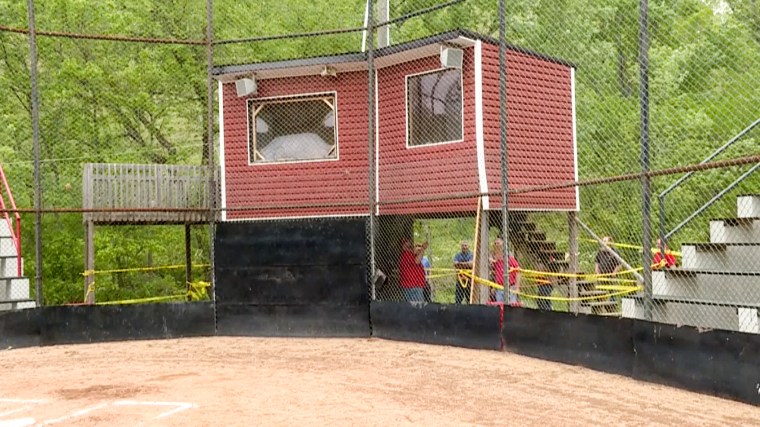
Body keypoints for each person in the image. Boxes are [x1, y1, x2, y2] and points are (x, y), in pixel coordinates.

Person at [490, 238, 521, 307]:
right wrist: (494, 287)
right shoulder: (496, 262)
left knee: (511, 307)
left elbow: (518, 272)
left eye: (498, 243)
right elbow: (496, 275)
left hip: (511, 288)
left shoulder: (510, 260)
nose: (496, 245)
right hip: (499, 288)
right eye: (495, 244)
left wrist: (517, 287)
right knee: (500, 308)